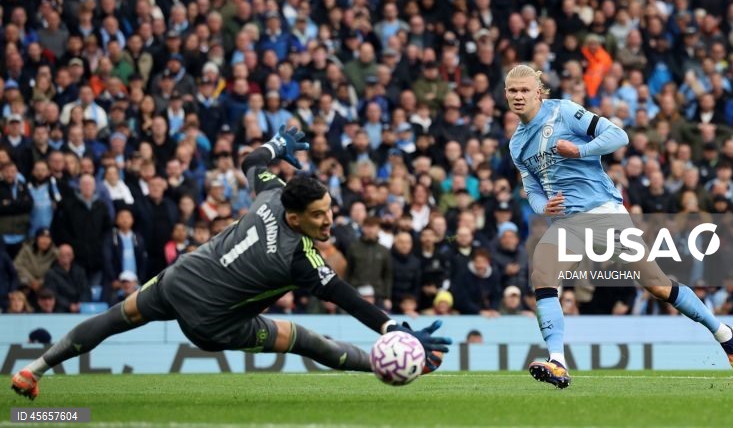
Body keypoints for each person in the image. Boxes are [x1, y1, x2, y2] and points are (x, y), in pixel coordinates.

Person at [11, 126, 451, 400]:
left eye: (329, 209)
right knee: (307, 340)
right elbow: (346, 297)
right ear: (295, 218)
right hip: (211, 321)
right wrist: (392, 330)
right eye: (318, 216)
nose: (328, 220)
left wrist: (276, 143)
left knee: (115, 318)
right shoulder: (299, 258)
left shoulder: (272, 193)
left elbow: (252, 160)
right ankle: (383, 364)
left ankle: (33, 370)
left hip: (182, 278)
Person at [504, 65, 733, 389]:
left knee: (658, 287)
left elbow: (619, 135)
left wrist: (580, 150)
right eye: (512, 91)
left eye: (524, 90)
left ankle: (723, 333)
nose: (518, 96)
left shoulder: (563, 112)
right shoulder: (517, 144)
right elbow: (532, 190)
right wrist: (541, 206)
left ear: (538, 92)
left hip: (606, 212)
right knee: (543, 273)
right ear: (506, 95)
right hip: (568, 222)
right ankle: (558, 362)